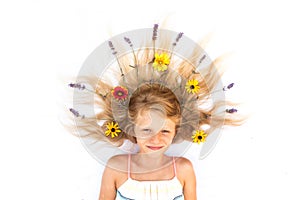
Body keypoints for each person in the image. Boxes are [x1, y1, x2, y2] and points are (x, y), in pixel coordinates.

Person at [67, 24, 243, 200]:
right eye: (146, 130)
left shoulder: (183, 170)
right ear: (131, 128)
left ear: (176, 130)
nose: (156, 139)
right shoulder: (115, 168)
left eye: (165, 131)